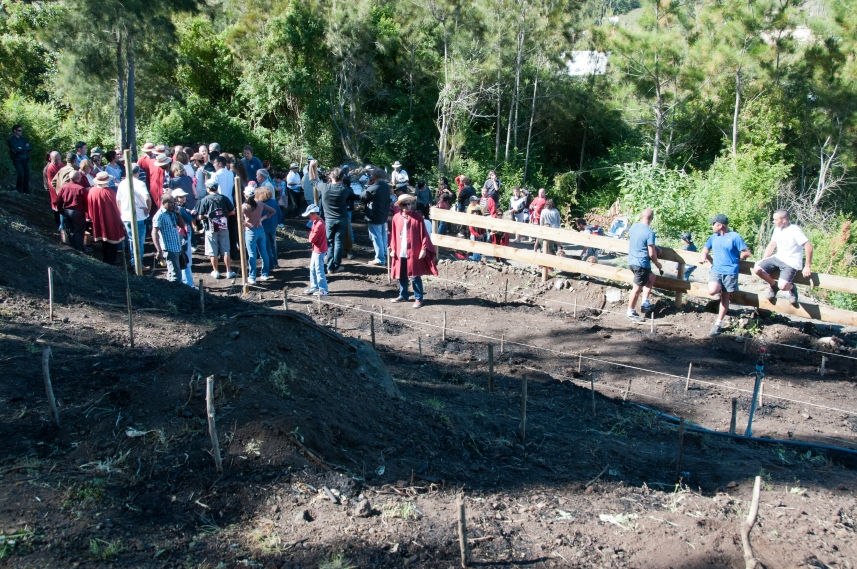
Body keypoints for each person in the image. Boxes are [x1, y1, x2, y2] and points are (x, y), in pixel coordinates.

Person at [700, 214, 751, 336]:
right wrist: (703, 256)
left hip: (730, 271)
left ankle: (718, 323)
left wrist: (738, 258)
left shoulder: (735, 237)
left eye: (713, 224)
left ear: (720, 225)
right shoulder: (713, 237)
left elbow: (746, 252)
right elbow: (705, 249)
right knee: (712, 290)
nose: (712, 226)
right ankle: (717, 298)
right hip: (716, 269)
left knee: (725, 297)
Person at [753, 210, 812, 304]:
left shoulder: (794, 230)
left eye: (775, 219)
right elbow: (772, 245)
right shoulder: (777, 229)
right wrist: (763, 259)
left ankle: (792, 288)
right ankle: (773, 285)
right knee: (757, 269)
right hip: (778, 258)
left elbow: (808, 246)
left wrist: (807, 266)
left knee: (783, 286)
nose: (773, 221)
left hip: (791, 262)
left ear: (784, 220)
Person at [389, 193, 438, 308]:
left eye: (410, 204)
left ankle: (418, 298)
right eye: (405, 204)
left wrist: (424, 248)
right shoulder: (396, 218)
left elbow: (424, 234)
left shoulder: (418, 217)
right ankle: (403, 295)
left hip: (414, 251)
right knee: (401, 274)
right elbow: (394, 235)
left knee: (415, 275)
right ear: (400, 206)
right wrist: (393, 248)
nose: (408, 206)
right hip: (400, 250)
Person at [625, 209, 664, 323]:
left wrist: (655, 247)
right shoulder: (650, 233)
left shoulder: (634, 227)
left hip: (632, 261)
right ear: (652, 218)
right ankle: (630, 312)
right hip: (641, 264)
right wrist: (657, 263)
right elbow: (651, 254)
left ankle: (645, 303)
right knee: (637, 289)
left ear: (641, 216)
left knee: (651, 278)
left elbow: (640, 241)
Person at [197, 178, 236, 280]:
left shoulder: (205, 200)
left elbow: (200, 216)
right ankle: (228, 271)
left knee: (212, 251)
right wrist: (223, 215)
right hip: (223, 226)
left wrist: (209, 216)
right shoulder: (224, 198)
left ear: (208, 188)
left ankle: (216, 271)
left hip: (210, 228)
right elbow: (232, 212)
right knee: (226, 250)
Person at [116, 164, 151, 270]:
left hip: (126, 216)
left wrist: (121, 213)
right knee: (139, 241)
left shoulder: (122, 184)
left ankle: (133, 262)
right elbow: (147, 197)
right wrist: (148, 209)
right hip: (139, 216)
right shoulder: (140, 184)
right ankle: (138, 264)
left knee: (131, 240)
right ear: (138, 173)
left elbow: (118, 200)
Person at [86, 172, 125, 265]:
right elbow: (117, 208)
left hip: (98, 220)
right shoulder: (109, 192)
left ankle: (106, 260)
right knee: (112, 243)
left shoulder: (92, 191)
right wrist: (121, 220)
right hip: (111, 221)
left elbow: (90, 207)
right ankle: (111, 261)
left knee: (104, 243)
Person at [241, 186, 276, 284]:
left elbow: (239, 219)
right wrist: (262, 219)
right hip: (260, 230)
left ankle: (252, 277)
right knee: (263, 252)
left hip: (250, 231)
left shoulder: (244, 206)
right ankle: (265, 274)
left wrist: (247, 224)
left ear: (245, 195)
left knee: (252, 254)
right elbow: (273, 211)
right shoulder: (260, 204)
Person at [320, 166, 350, 274]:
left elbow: (313, 181)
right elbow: (357, 196)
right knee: (338, 242)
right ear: (342, 178)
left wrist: (312, 167)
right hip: (341, 219)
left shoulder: (324, 187)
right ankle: (336, 266)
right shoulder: (344, 190)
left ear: (331, 176)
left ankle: (329, 267)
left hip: (329, 220)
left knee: (330, 243)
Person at [361, 167, 391, 266]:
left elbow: (362, 197)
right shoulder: (386, 186)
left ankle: (380, 258)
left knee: (376, 237)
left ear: (374, 176)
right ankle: (384, 254)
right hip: (383, 215)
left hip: (374, 216)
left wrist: (367, 185)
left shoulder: (373, 188)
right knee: (382, 236)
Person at [151, 194, 184, 283]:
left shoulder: (172, 213)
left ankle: (172, 288)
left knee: (173, 273)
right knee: (175, 276)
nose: (173, 205)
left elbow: (182, 225)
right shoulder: (160, 215)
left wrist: (178, 214)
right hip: (169, 249)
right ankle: (176, 289)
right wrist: (159, 250)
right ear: (163, 203)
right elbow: (154, 233)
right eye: (170, 203)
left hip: (176, 247)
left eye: (174, 203)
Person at [170, 188, 197, 288]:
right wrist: (193, 213)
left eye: (184, 196)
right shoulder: (180, 209)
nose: (184, 198)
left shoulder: (175, 208)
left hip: (179, 235)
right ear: (176, 198)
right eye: (181, 197)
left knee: (182, 259)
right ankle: (189, 284)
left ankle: (185, 282)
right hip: (183, 235)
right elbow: (190, 219)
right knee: (186, 259)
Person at [57, 171, 89, 251]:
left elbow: (59, 200)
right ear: (78, 178)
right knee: (78, 231)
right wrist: (87, 213)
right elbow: (86, 202)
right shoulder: (81, 189)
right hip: (77, 212)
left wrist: (60, 210)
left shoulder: (64, 187)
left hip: (67, 211)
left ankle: (73, 247)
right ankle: (79, 249)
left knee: (70, 230)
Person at [302, 204, 329, 296]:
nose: (309, 217)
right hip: (316, 249)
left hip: (320, 250)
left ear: (315, 214)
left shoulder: (319, 224)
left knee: (319, 269)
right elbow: (312, 236)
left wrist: (310, 235)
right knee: (312, 268)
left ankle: (323, 289)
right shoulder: (315, 222)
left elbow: (311, 239)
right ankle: (314, 286)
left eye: (310, 215)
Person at [255, 185, 281, 270]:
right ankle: (275, 262)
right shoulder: (274, 201)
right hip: (273, 225)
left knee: (267, 246)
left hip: (264, 226)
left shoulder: (260, 204)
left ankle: (270, 265)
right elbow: (279, 213)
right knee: (273, 244)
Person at [7, 124, 31, 193]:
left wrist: (21, 148)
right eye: (19, 130)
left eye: (21, 130)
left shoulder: (24, 139)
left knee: (27, 174)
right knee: (21, 174)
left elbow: (29, 147)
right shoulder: (11, 139)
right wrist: (24, 148)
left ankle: (26, 191)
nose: (21, 132)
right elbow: (15, 150)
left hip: (25, 159)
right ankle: (18, 190)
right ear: (15, 131)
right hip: (17, 159)